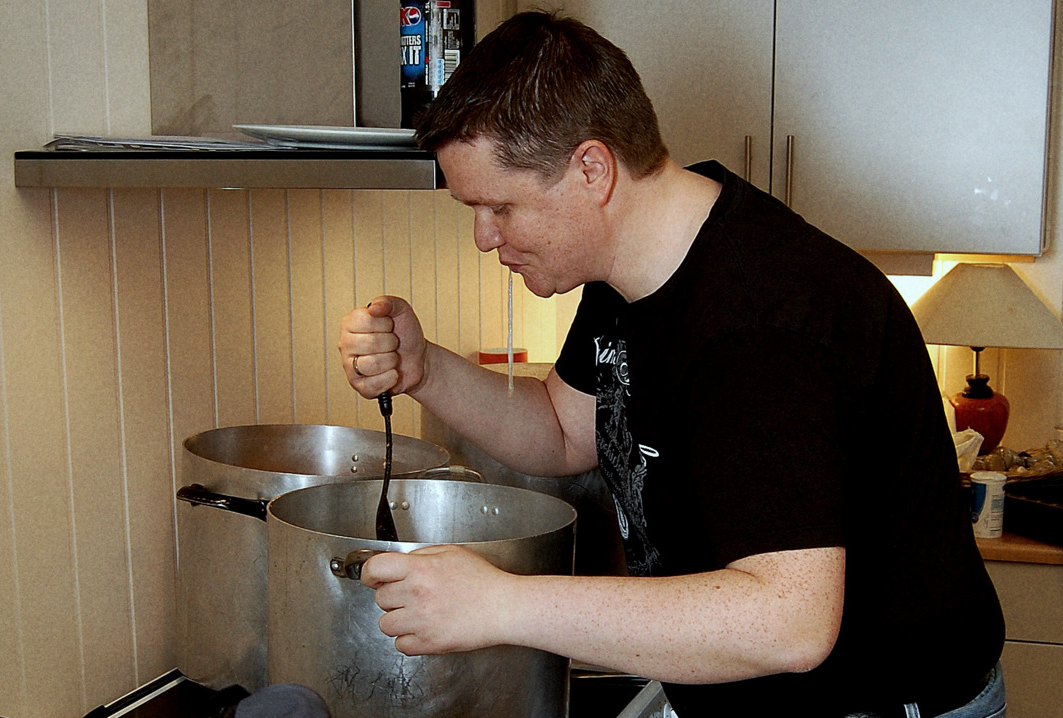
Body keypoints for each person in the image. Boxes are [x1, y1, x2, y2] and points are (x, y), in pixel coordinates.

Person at [337, 10, 1005, 718]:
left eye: (499, 206)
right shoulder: (635, 268)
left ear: (592, 169)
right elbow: (562, 431)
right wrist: (425, 370)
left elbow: (790, 624)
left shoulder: (760, 326)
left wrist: (500, 604)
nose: (482, 235)